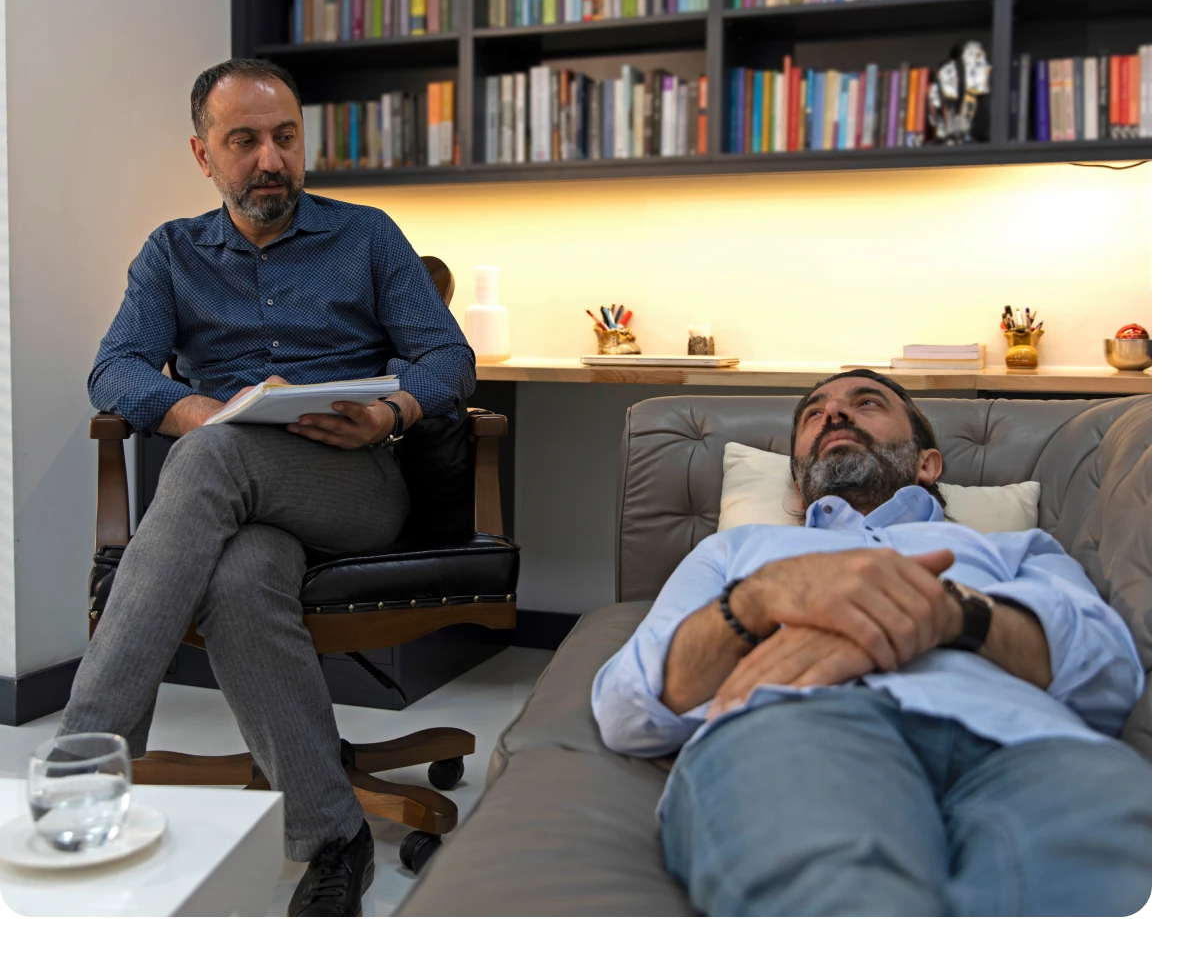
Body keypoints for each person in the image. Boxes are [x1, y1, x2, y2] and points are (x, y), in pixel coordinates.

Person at [61, 59, 476, 919]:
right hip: (235, 500)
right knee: (242, 574)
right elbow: (116, 369)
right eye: (243, 141)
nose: (270, 160)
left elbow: (448, 357)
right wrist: (196, 410)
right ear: (203, 155)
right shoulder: (172, 253)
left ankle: (81, 772)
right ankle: (333, 837)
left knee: (207, 460)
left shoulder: (367, 236)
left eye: (285, 137)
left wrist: (390, 411)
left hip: (355, 486)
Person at [592, 370, 1150, 917]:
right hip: (794, 729)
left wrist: (949, 613)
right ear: (797, 481)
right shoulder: (735, 553)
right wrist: (755, 601)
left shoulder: (1016, 548)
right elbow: (627, 708)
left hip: (1028, 741)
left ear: (928, 464)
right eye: (814, 413)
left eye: (866, 403)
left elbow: (1110, 673)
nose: (833, 412)